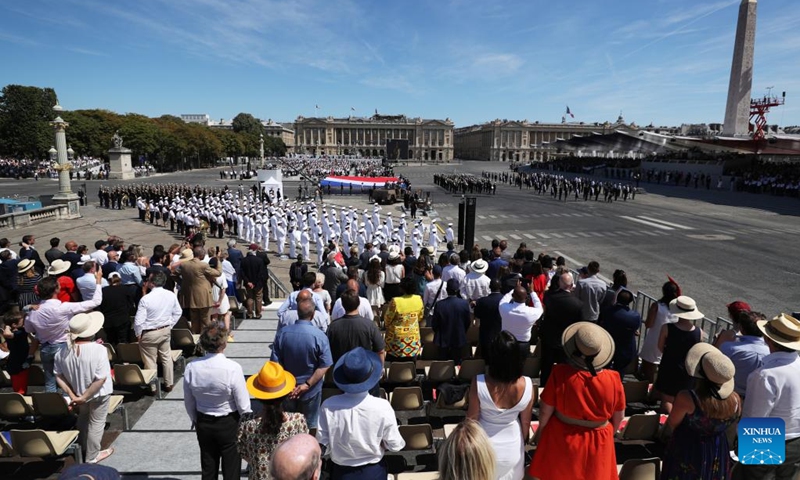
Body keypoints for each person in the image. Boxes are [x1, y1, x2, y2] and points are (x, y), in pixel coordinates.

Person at [528, 322, 625, 480]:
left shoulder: (560, 373)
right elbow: (619, 416)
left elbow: (545, 410)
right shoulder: (614, 378)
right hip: (600, 440)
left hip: (563, 437)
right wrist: (603, 432)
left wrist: (542, 433)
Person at [317, 347, 405, 479]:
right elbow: (395, 445)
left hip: (341, 473)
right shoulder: (382, 406)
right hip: (373, 472)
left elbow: (323, 445)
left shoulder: (328, 406)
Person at [661, 343, 740, 480]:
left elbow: (673, 423)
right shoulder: (736, 400)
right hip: (717, 448)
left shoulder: (687, 398)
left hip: (688, 447)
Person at [184, 323, 252, 480]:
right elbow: (243, 404)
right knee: (232, 469)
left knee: (208, 468)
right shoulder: (233, 368)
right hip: (228, 422)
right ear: (223, 343)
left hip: (203, 420)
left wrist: (196, 419)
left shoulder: (191, 368)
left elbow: (189, 401)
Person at [740, 313, 800, 480]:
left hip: (768, 436)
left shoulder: (765, 375)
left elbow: (754, 419)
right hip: (796, 440)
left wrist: (743, 449)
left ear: (768, 339)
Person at [467, 331, 534, 480]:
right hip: (513, 446)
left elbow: (472, 420)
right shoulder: (528, 384)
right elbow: (525, 422)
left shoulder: (478, 382)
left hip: (484, 446)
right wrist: (522, 443)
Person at [25, 272, 103, 392]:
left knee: (50, 380)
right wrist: (98, 281)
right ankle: (71, 403)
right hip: (63, 347)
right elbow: (96, 302)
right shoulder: (64, 307)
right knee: (70, 378)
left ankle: (52, 406)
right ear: (56, 289)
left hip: (46, 347)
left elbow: (29, 329)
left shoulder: (33, 311)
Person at [54, 312, 115, 464]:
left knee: (83, 418)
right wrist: (84, 397)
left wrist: (74, 396)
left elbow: (58, 376)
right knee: (96, 423)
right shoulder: (99, 350)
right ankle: (92, 456)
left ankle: (82, 446)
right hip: (98, 394)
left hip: (78, 393)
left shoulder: (61, 352)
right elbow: (101, 378)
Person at [238, 362, 309, 480]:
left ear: (258, 396)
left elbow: (243, 452)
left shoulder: (246, 422)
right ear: (285, 393)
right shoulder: (297, 421)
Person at [270, 299, 333, 429]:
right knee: (310, 425)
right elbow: (325, 365)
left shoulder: (283, 333)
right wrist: (307, 384)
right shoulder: (320, 336)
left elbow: (275, 363)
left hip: (287, 389)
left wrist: (290, 385)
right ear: (313, 314)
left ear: (297, 313)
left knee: (288, 425)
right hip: (311, 390)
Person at [134, 271, 183, 393]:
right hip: (165, 329)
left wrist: (138, 334)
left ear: (152, 283)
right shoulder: (170, 295)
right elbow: (178, 312)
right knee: (166, 357)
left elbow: (138, 321)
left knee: (150, 361)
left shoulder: (146, 299)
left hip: (149, 332)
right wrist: (170, 324)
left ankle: (153, 387)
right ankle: (169, 384)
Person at [655, 296, 704, 413]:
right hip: (688, 369)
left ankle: (667, 425)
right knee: (682, 399)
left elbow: (660, 346)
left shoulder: (667, 328)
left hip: (669, 365)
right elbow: (698, 351)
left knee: (667, 399)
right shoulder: (699, 332)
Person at [539, 271, 583, 387]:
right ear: (571, 285)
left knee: (546, 366)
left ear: (559, 283)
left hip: (549, 338)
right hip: (566, 341)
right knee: (564, 369)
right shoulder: (578, 304)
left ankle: (544, 388)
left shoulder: (549, 296)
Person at [714, 310, 769, 398]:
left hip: (730, 395)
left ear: (741, 328)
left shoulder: (729, 348)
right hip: (758, 397)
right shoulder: (771, 352)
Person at [326, 290, 385, 365]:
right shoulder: (370, 325)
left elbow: (326, 351)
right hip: (364, 369)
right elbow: (380, 351)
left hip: (340, 370)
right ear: (358, 303)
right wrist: (379, 371)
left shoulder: (333, 327)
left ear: (343, 305)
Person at [639, 280, 679, 383]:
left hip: (654, 341)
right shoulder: (678, 309)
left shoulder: (656, 306)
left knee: (647, 372)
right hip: (669, 344)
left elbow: (649, 324)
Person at [176, 246, 222, 332]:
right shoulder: (203, 265)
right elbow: (218, 273)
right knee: (205, 320)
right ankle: (204, 339)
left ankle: (195, 337)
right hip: (204, 297)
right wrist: (217, 259)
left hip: (191, 296)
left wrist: (182, 283)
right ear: (201, 255)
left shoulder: (184, 265)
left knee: (194, 320)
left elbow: (174, 274)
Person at [598, 289, 642, 375]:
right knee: (619, 374)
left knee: (603, 371)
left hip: (608, 346)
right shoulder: (635, 316)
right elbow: (634, 328)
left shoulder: (607, 311)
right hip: (624, 349)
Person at [382, 277, 424, 361]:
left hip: (396, 342)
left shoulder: (395, 301)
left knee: (394, 363)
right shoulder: (418, 299)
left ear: (402, 288)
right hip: (413, 342)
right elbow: (420, 317)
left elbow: (387, 320)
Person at [432, 279, 472, 365]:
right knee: (457, 363)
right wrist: (461, 332)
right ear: (458, 290)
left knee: (443, 364)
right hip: (458, 338)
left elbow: (434, 324)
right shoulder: (464, 304)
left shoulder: (439, 304)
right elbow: (467, 322)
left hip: (443, 339)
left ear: (446, 290)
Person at [499, 284, 543, 361]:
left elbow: (505, 299)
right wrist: (532, 292)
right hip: (522, 345)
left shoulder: (504, 307)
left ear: (513, 296)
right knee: (520, 368)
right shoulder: (531, 312)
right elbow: (539, 307)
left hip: (505, 343)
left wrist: (514, 289)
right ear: (526, 298)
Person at [98, 272, 135, 345]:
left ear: (108, 280)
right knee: (123, 341)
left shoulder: (103, 291)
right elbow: (131, 305)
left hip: (108, 322)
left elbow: (99, 306)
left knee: (111, 341)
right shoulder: (126, 289)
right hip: (123, 320)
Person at [474, 278, 504, 359]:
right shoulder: (506, 301)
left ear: (490, 287)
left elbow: (477, 321)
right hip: (502, 336)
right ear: (500, 287)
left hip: (485, 336)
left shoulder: (481, 301)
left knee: (486, 361)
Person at [3, 311, 30, 394]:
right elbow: (7, 334)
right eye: (22, 321)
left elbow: (6, 333)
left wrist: (7, 326)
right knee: (19, 387)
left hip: (19, 362)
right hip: (16, 363)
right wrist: (7, 326)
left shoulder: (22, 331)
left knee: (20, 386)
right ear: (14, 324)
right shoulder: (18, 332)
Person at [209, 258, 233, 342]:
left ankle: (213, 335)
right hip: (220, 298)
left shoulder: (207, 275)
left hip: (211, 298)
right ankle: (227, 334)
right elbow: (223, 289)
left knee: (214, 317)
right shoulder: (221, 275)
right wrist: (220, 301)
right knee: (226, 314)